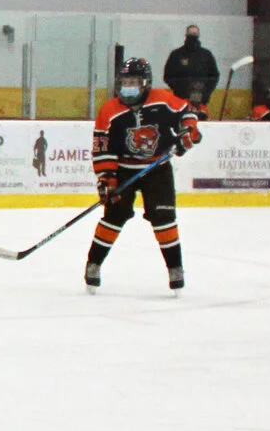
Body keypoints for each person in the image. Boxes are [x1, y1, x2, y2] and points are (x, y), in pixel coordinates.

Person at [85, 57, 202, 294]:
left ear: (146, 83)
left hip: (156, 168)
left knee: (164, 218)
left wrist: (187, 131)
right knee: (114, 216)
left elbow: (187, 113)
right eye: (124, 80)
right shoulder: (109, 109)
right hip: (123, 169)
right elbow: (102, 146)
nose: (127, 85)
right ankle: (93, 264)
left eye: (133, 81)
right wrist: (107, 178)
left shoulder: (163, 99)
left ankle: (175, 268)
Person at [162, 26, 220, 112]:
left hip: (201, 102)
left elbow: (214, 76)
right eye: (191, 34)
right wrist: (182, 88)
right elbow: (168, 76)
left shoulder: (206, 55)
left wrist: (205, 90)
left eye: (195, 34)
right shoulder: (176, 54)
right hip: (180, 101)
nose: (193, 37)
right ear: (185, 36)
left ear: (199, 36)